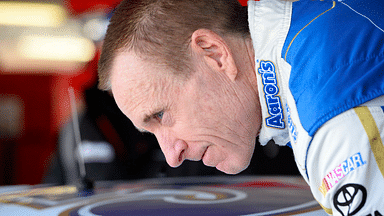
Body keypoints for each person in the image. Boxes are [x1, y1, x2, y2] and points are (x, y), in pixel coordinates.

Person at [97, 0, 384, 214]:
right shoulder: (308, 30)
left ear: (215, 54)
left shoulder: (331, 114)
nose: (172, 156)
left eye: (160, 115)